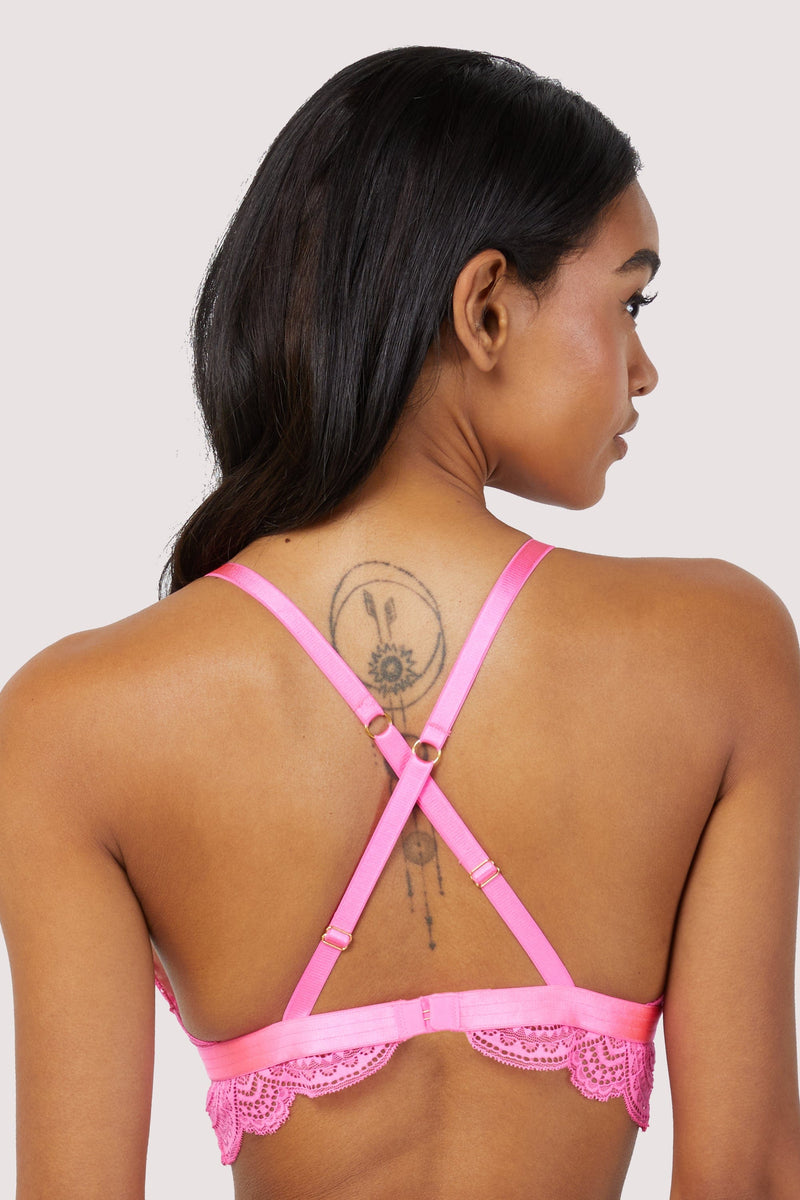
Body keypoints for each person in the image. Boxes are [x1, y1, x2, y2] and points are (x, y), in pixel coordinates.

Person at [1, 45, 799, 1200]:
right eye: (628, 301)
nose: (643, 369)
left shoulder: (72, 720)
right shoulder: (718, 650)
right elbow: (749, 1177)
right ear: (484, 308)